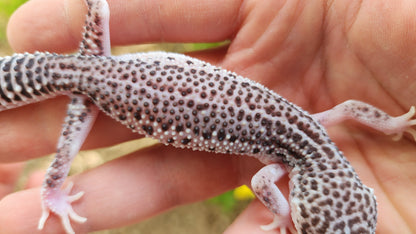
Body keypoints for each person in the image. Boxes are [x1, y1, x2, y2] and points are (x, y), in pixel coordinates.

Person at [0, 0, 415, 233]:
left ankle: (52, 189)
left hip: (99, 67)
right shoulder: (275, 171)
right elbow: (259, 182)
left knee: (101, 10)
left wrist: (393, 123)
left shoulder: (313, 124)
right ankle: (51, 190)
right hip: (96, 89)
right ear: (362, 191)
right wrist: (282, 217)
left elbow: (349, 110)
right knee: (68, 143)